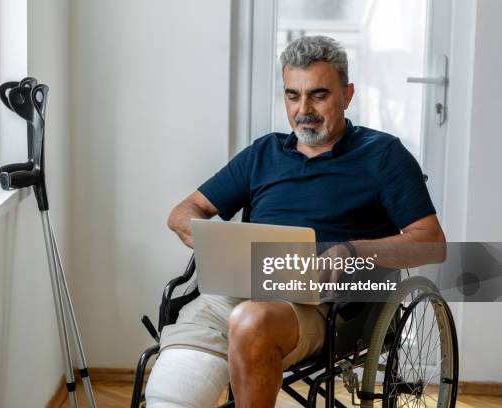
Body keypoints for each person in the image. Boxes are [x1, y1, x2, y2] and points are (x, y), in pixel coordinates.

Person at [145, 35, 446, 408]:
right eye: (292, 95)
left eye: (318, 95)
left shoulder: (383, 155)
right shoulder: (263, 153)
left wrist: (352, 251)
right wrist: (208, 236)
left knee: (252, 320)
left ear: (347, 95)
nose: (303, 109)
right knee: (170, 396)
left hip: (323, 306)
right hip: (234, 290)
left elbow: (432, 242)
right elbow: (183, 211)